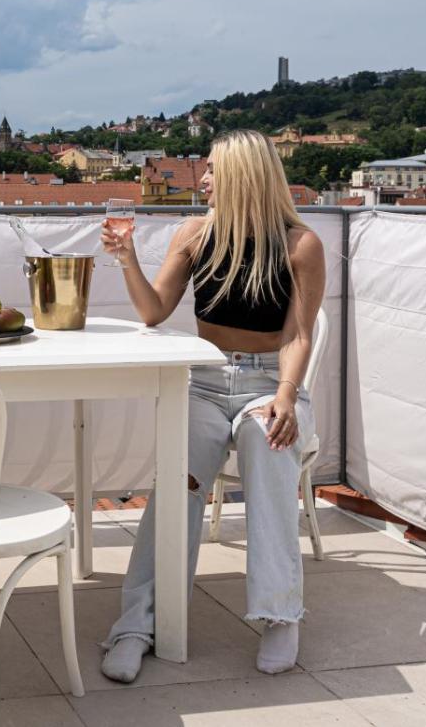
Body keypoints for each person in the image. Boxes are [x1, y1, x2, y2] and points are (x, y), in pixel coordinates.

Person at [98, 129, 326, 682]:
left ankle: (280, 614)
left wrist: (285, 396)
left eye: (212, 170)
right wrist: (127, 258)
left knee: (267, 445)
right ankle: (138, 625)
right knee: (179, 478)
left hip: (270, 382)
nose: (202, 179)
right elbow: (153, 311)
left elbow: (298, 335)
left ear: (244, 176)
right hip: (203, 379)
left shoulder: (300, 245)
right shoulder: (195, 234)